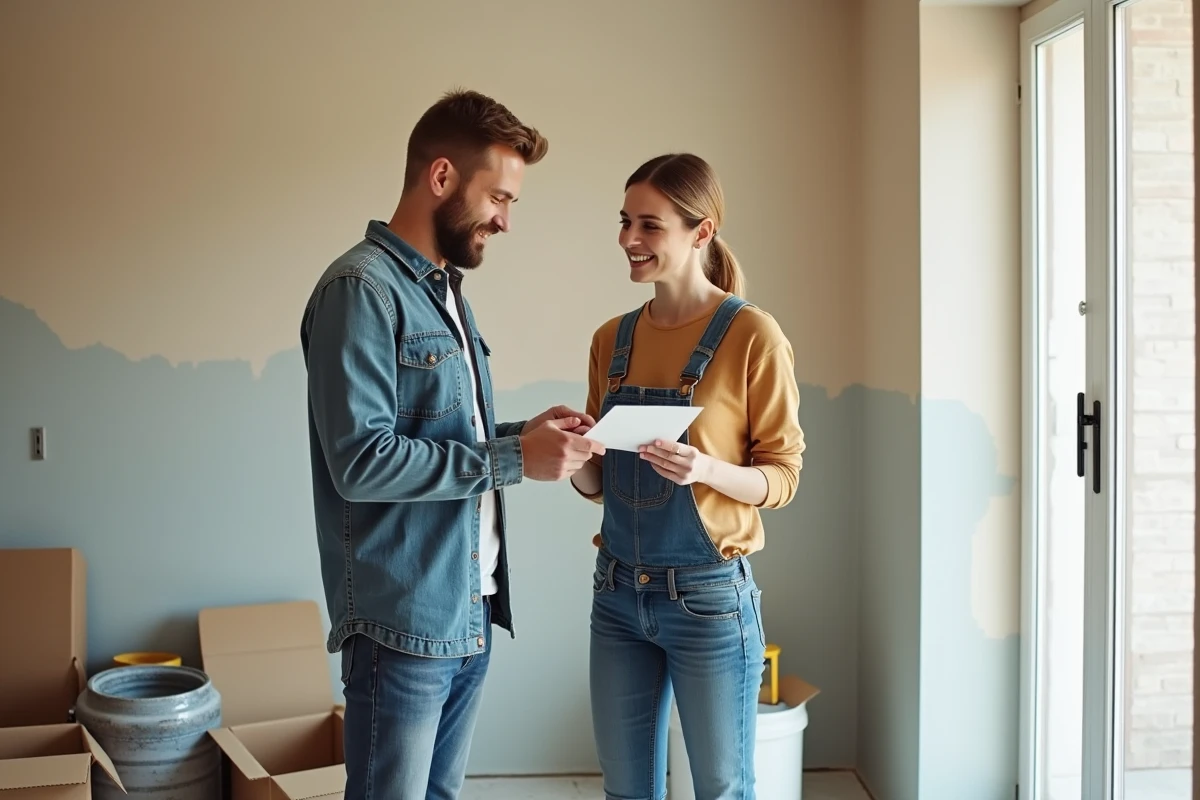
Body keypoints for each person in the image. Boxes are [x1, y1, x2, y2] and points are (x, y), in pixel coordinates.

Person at [300, 88, 605, 799]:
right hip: (402, 625)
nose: (505, 220)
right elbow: (362, 460)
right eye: (498, 197)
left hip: (468, 609)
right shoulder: (361, 290)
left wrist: (524, 436)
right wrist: (510, 460)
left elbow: (438, 436)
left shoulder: (443, 293)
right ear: (441, 177)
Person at [570, 153, 805, 800]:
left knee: (723, 790)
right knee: (626, 791)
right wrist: (578, 459)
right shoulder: (609, 341)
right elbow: (596, 489)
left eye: (649, 225)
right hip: (616, 594)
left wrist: (704, 469)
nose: (628, 239)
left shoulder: (753, 335)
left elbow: (782, 478)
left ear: (701, 232)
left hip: (708, 602)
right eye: (624, 222)